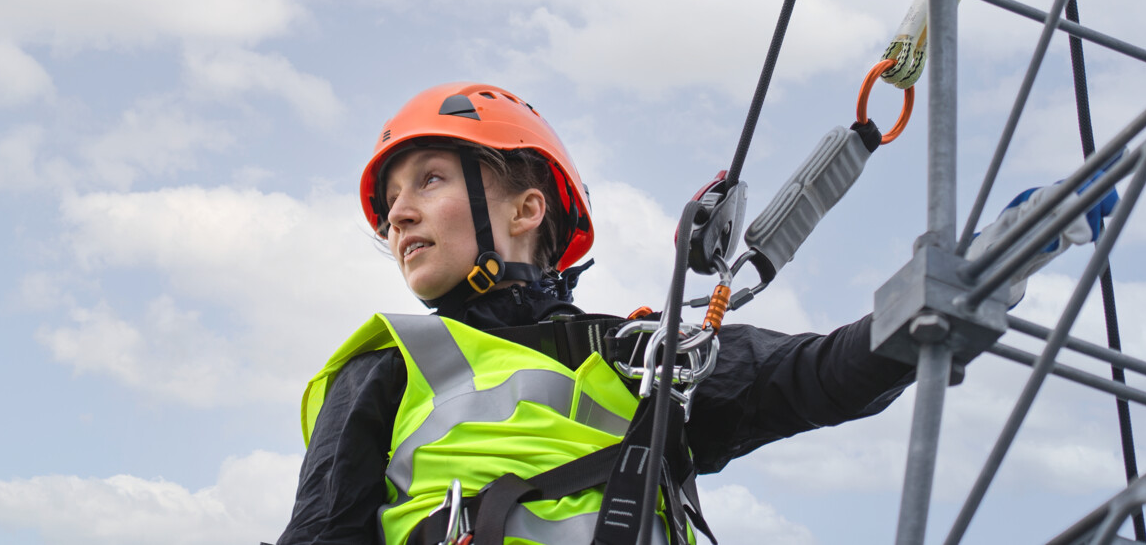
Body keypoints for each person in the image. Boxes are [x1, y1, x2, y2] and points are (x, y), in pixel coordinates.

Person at [275, 82, 917, 545]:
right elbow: (322, 532)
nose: (398, 215)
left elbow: (821, 375)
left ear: (526, 211)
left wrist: (935, 295)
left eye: (430, 179)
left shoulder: (645, 358)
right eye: (390, 202)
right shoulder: (390, 359)